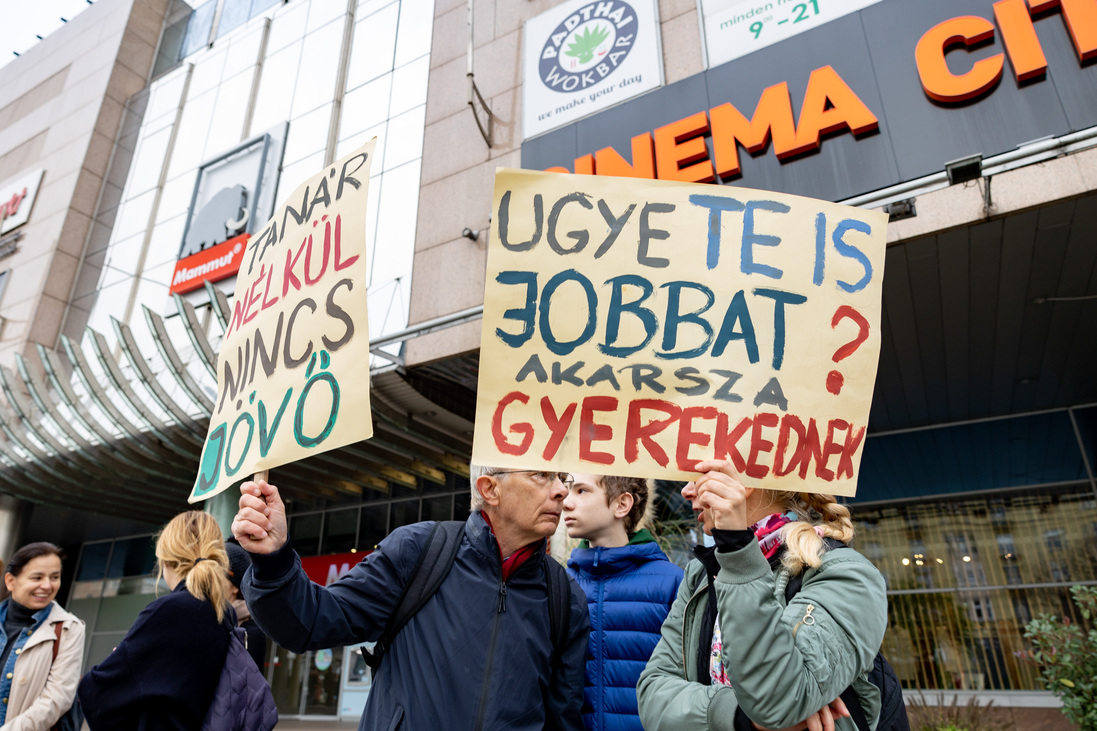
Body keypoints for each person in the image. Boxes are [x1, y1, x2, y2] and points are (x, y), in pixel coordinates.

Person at [232, 468, 590, 730]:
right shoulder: (419, 551)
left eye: (562, 478)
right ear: (490, 489)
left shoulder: (564, 596)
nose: (561, 490)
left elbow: (564, 719)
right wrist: (275, 559)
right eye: (542, 476)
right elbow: (312, 621)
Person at [636, 460, 888, 731]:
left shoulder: (847, 573)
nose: (686, 491)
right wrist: (740, 718)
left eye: (698, 476)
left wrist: (737, 548)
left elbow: (777, 699)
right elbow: (652, 696)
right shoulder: (700, 574)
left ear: (745, 484)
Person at [78, 511, 232, 730]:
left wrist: (119, 659)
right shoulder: (223, 613)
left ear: (166, 559)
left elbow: (96, 692)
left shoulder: (170, 609)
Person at [562, 474, 683, 731]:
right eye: (568, 490)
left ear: (621, 504)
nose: (566, 502)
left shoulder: (673, 583)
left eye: (581, 491)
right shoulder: (560, 584)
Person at [0, 542, 84, 730]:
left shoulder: (68, 629)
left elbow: (57, 699)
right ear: (10, 581)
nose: (47, 586)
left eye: (54, 577)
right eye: (37, 577)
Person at [224, 539, 268, 673]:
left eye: (218, 571)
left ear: (235, 587)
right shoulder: (202, 616)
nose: (210, 577)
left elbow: (251, 688)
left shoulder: (251, 633)